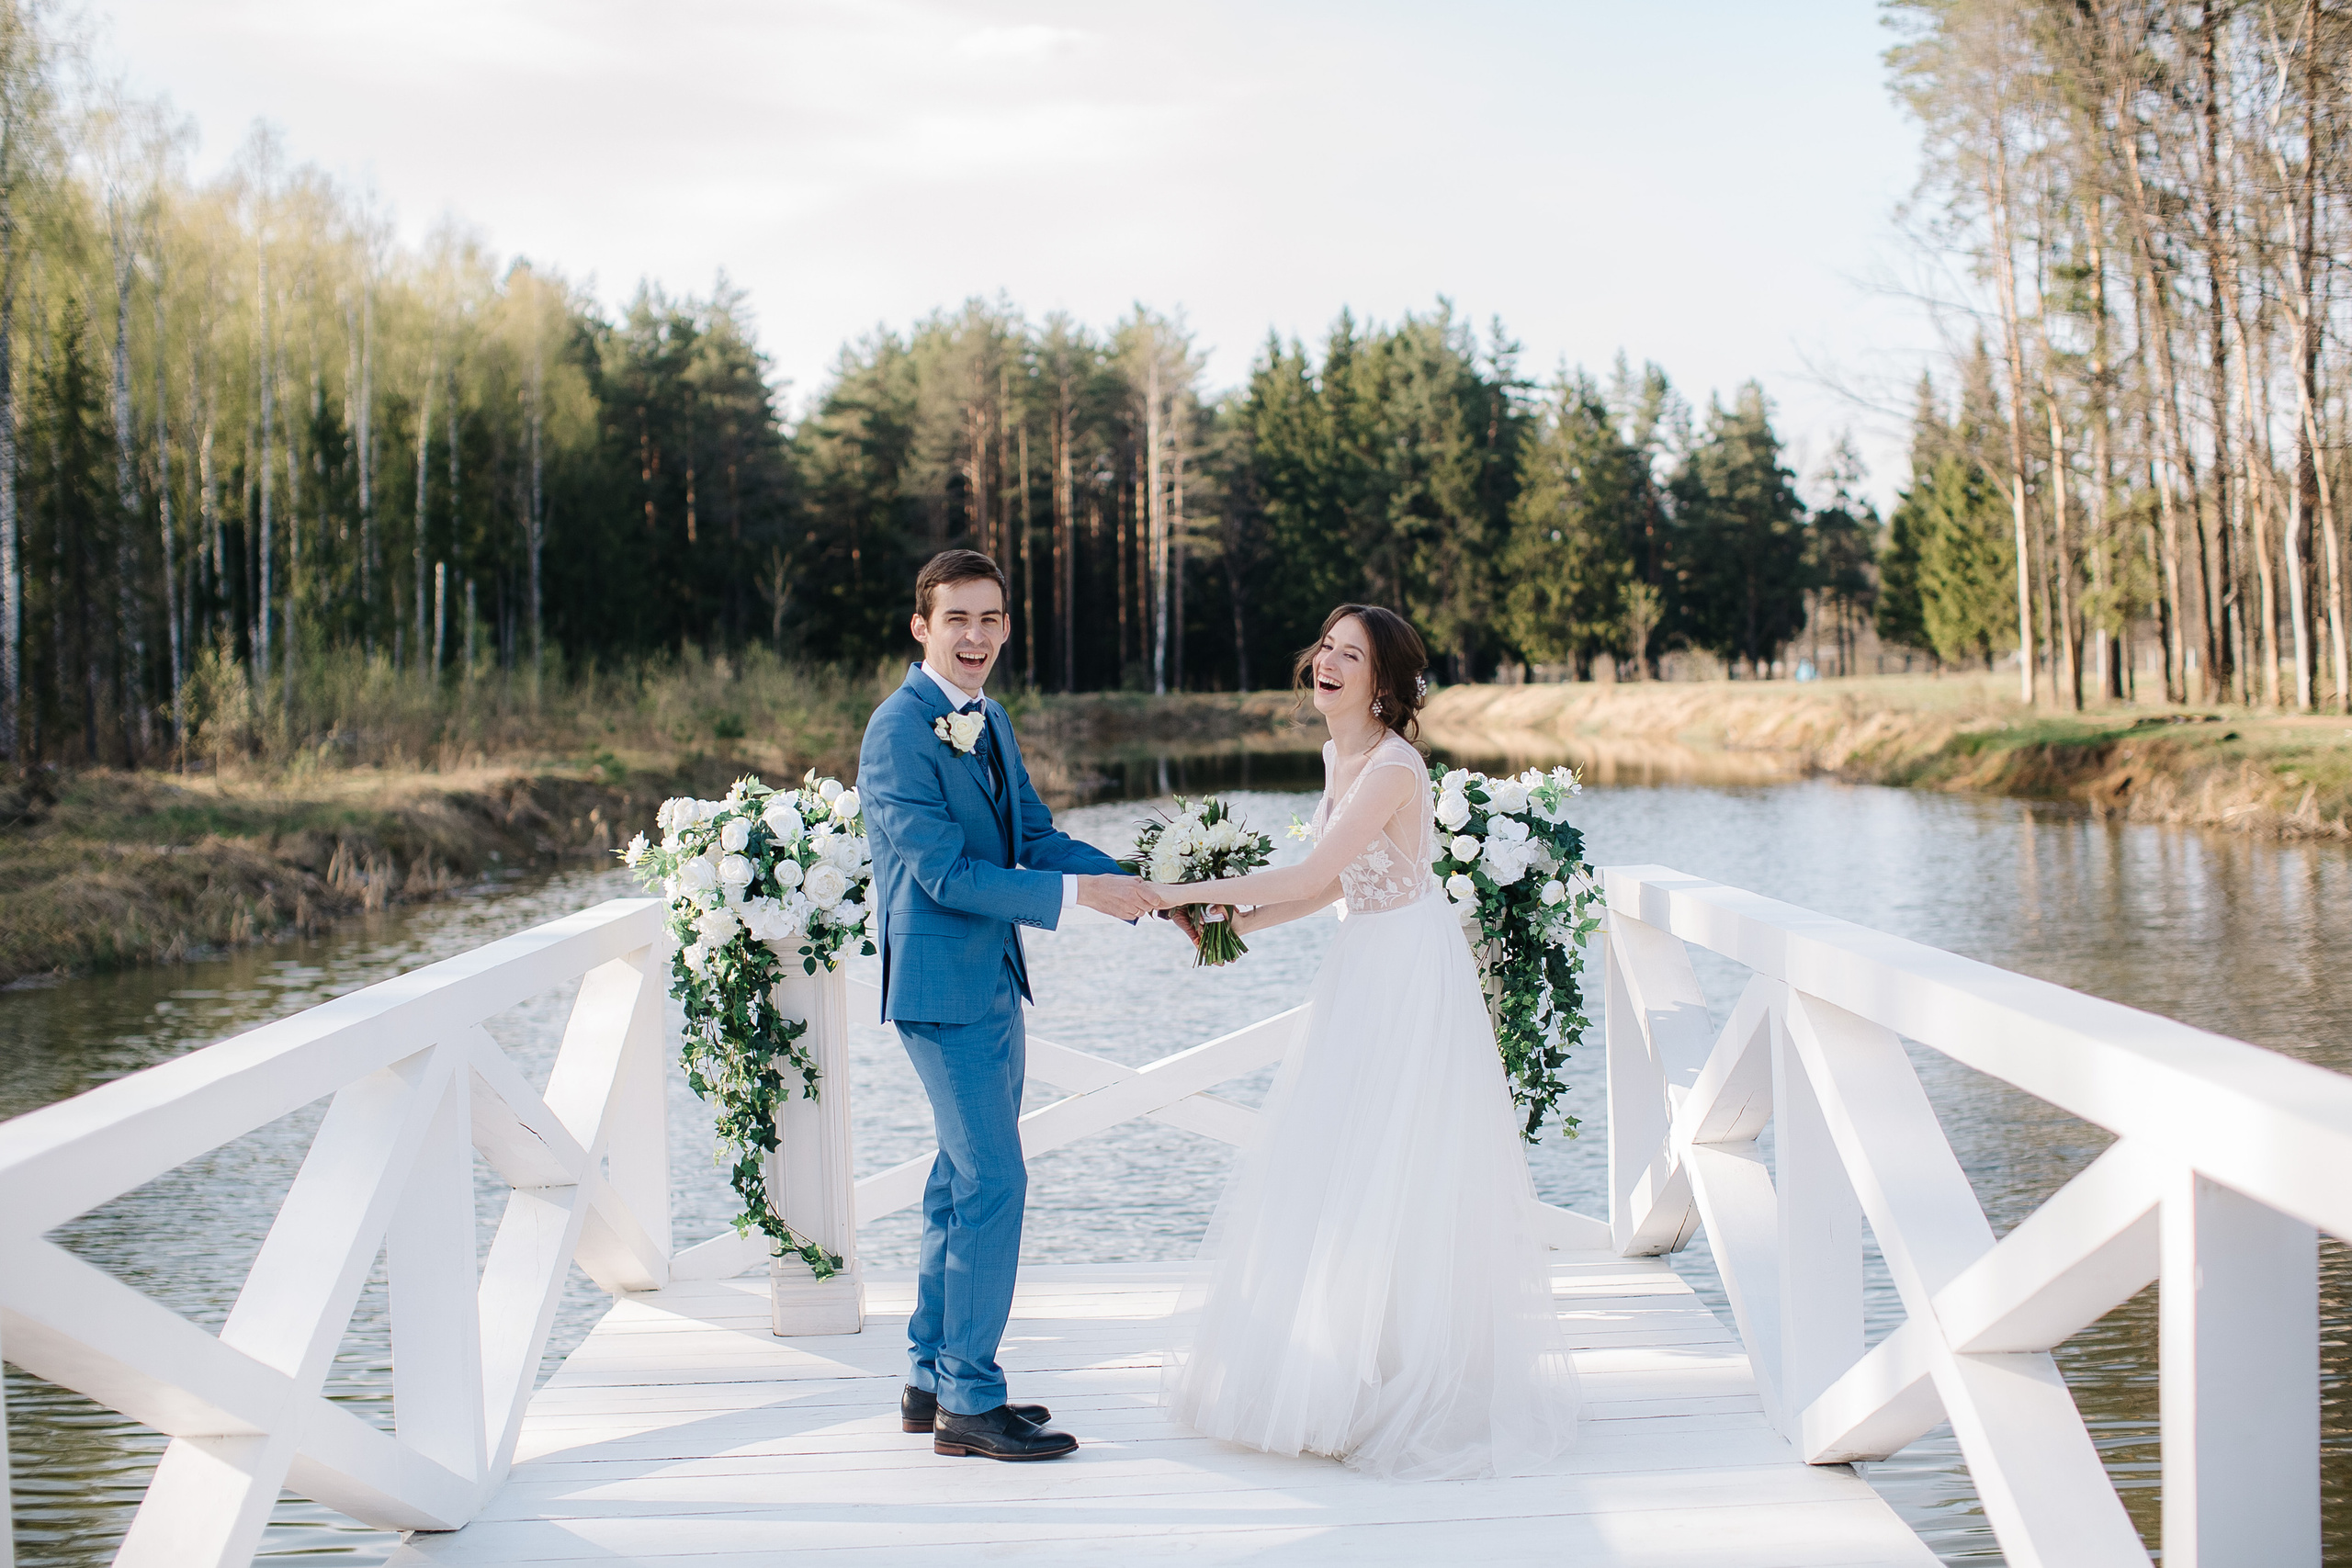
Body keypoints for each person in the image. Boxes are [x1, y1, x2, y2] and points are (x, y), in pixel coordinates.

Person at [1144, 604, 1579, 1479]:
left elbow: (1312, 869)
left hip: (1407, 971)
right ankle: (1335, 1362)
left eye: (1355, 655)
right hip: (1361, 958)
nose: (1331, 664)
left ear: (1385, 683)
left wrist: (1179, 887)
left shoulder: (1391, 766)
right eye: (1328, 649)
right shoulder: (1335, 755)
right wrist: (1234, 922)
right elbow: (1325, 887)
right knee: (1336, 1152)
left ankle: (1400, 1369)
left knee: (1397, 1159)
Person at [857, 548, 1157, 1461]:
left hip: (992, 980)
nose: (977, 636)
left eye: (992, 619)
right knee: (995, 1181)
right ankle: (970, 1404)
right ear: (921, 626)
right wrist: (1080, 902)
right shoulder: (898, 730)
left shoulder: (989, 720)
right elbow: (943, 874)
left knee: (959, 1182)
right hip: (941, 990)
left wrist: (1139, 884)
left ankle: (929, 1377)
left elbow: (1030, 836)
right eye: (958, 619)